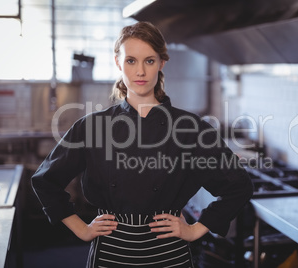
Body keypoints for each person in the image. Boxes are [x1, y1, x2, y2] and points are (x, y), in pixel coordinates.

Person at [32, 21, 253, 268]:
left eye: (149, 61)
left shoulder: (190, 128)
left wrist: (194, 230)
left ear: (161, 63)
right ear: (118, 63)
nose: (140, 72)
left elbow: (238, 186)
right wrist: (81, 229)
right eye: (131, 61)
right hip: (112, 251)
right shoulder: (92, 127)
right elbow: (45, 180)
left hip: (168, 252)